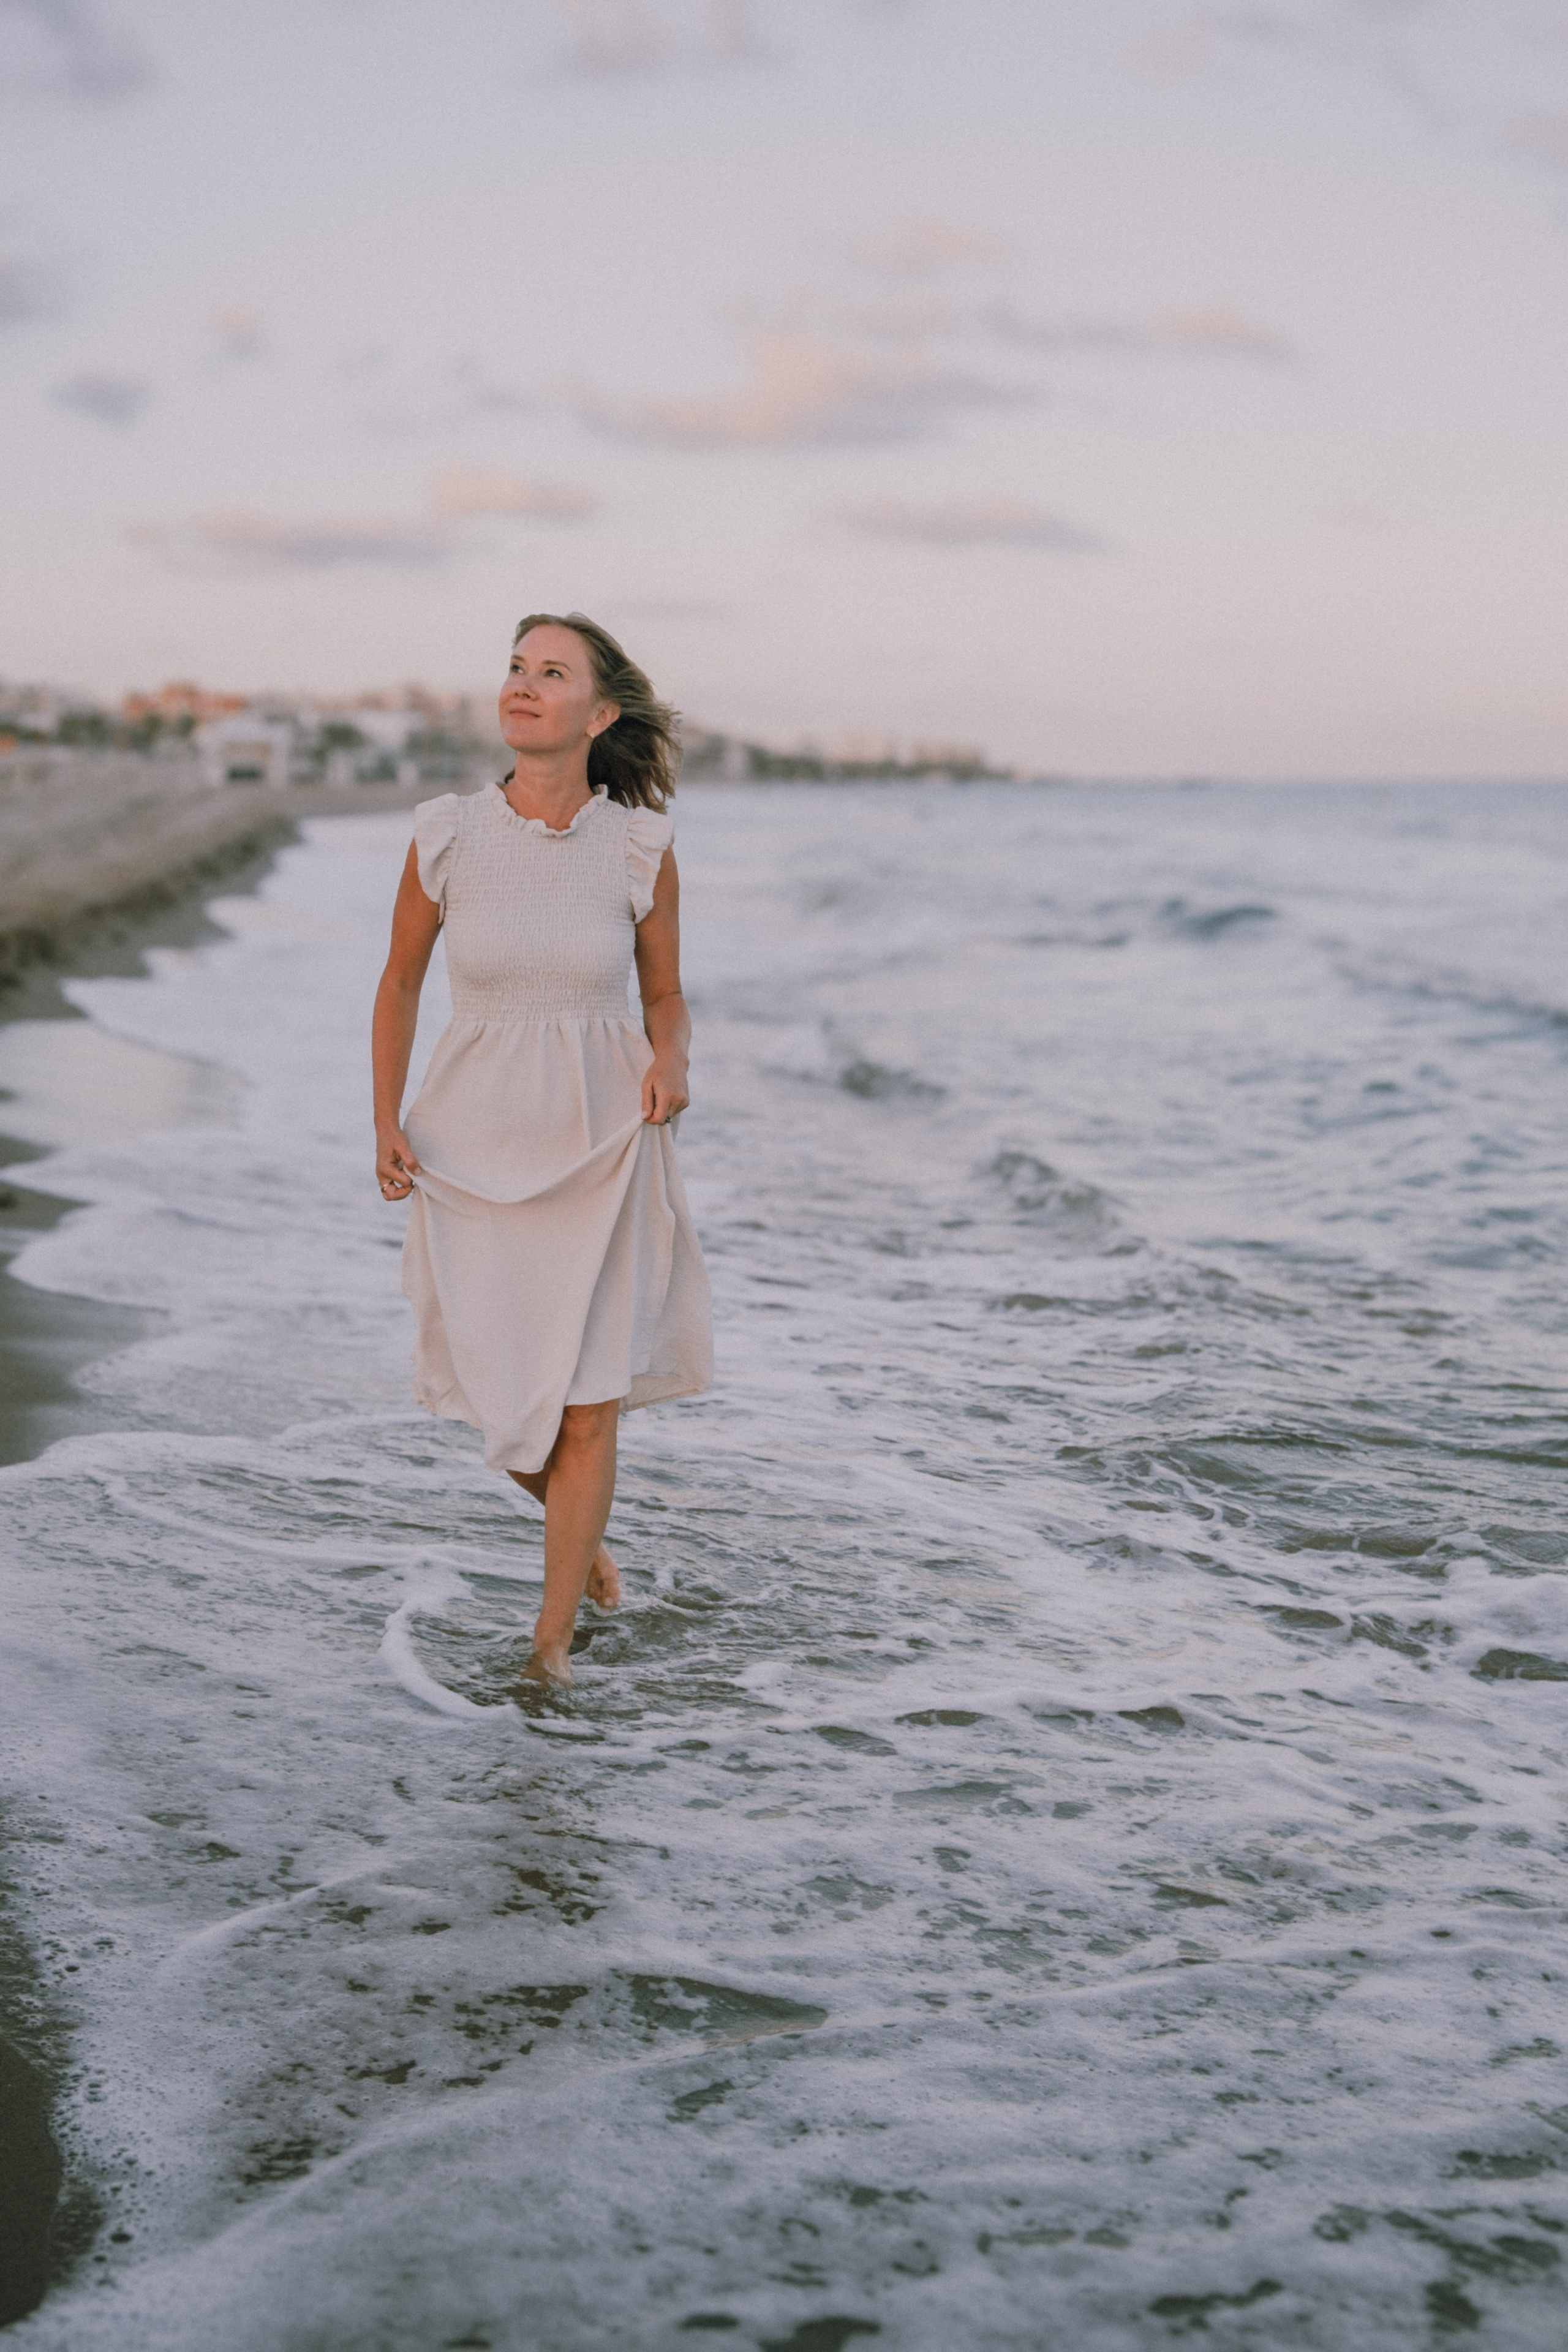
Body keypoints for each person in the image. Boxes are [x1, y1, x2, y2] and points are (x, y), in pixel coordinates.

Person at [371, 614, 713, 1686]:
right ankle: (586, 1540)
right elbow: (398, 986)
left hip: (605, 1140)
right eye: (516, 669)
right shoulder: (446, 835)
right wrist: (383, 1118)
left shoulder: (641, 847)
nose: (522, 686)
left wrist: (674, 1061)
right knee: (497, 1391)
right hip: (469, 1144)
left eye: (550, 673)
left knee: (587, 1404)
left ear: (599, 714)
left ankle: (549, 1646)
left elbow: (664, 992)